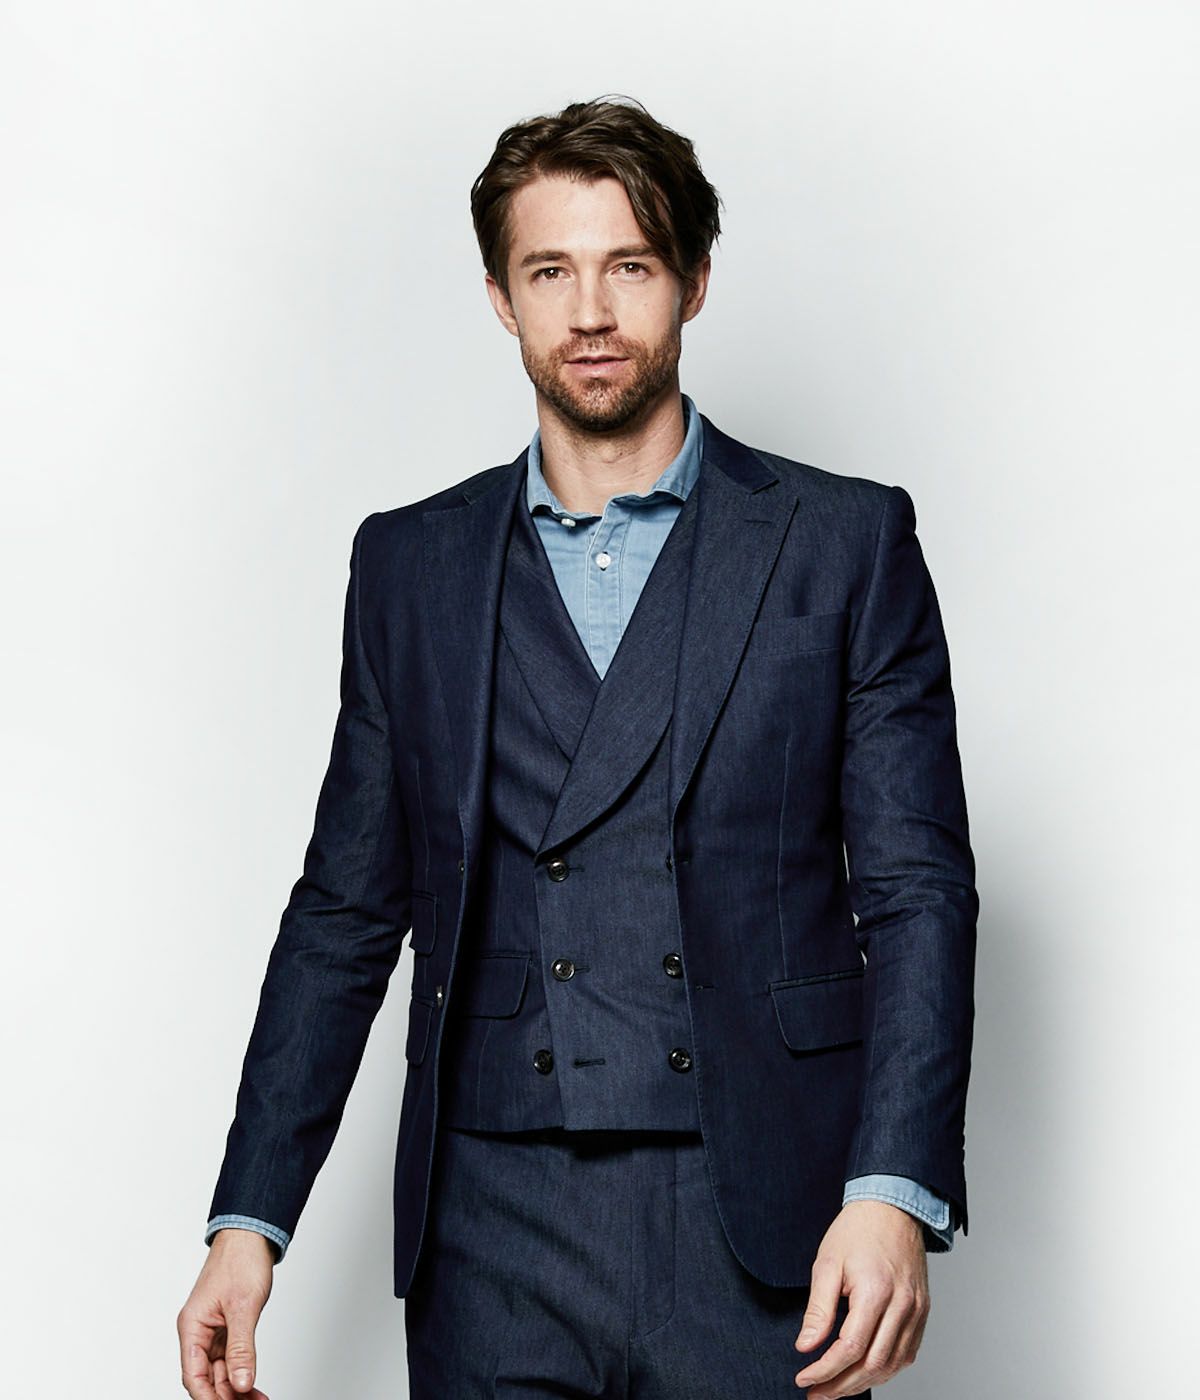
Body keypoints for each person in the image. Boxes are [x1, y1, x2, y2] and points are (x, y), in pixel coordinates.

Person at [177, 95, 978, 1400]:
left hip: (764, 1207)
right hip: (491, 1225)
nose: (591, 311)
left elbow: (917, 892)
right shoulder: (410, 565)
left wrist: (892, 1189)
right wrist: (248, 1222)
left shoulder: (843, 543)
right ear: (502, 297)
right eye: (551, 271)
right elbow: (345, 912)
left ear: (694, 282)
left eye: (631, 266)